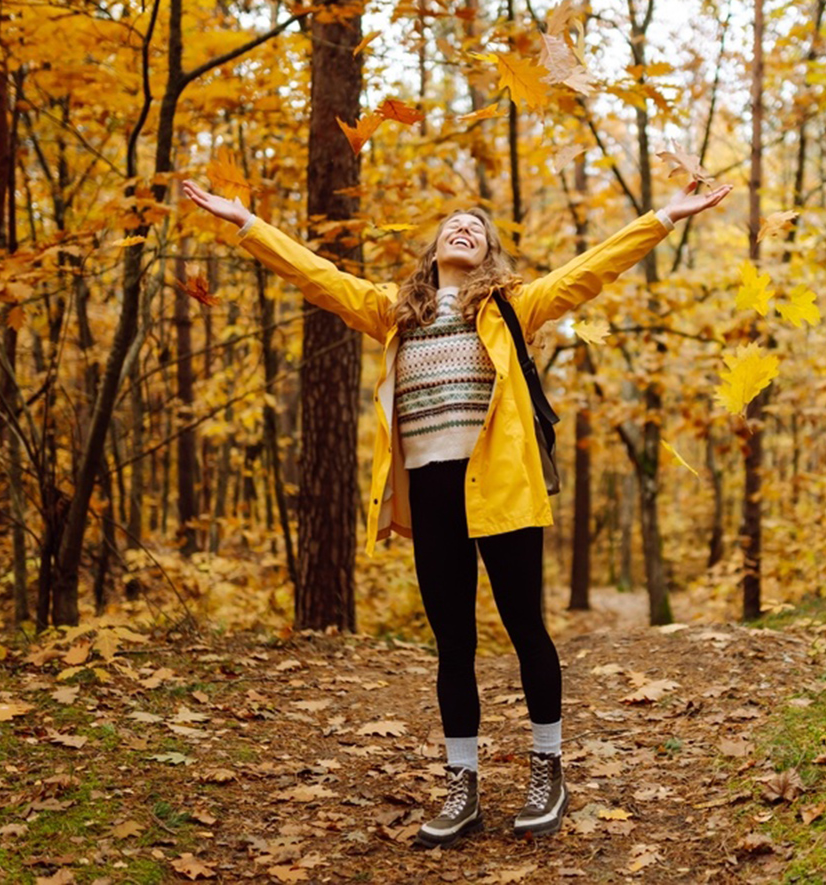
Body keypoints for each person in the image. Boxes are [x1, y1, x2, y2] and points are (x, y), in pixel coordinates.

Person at [181, 174, 732, 847]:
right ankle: (462, 785)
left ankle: (548, 769)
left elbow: (591, 269)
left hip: (502, 488)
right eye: (452, 225)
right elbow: (317, 276)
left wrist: (663, 217)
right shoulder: (394, 312)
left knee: (526, 628)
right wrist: (246, 223)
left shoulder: (512, 306)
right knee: (453, 644)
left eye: (476, 226)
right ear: (435, 249)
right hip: (431, 492)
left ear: (490, 252)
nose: (463, 228)